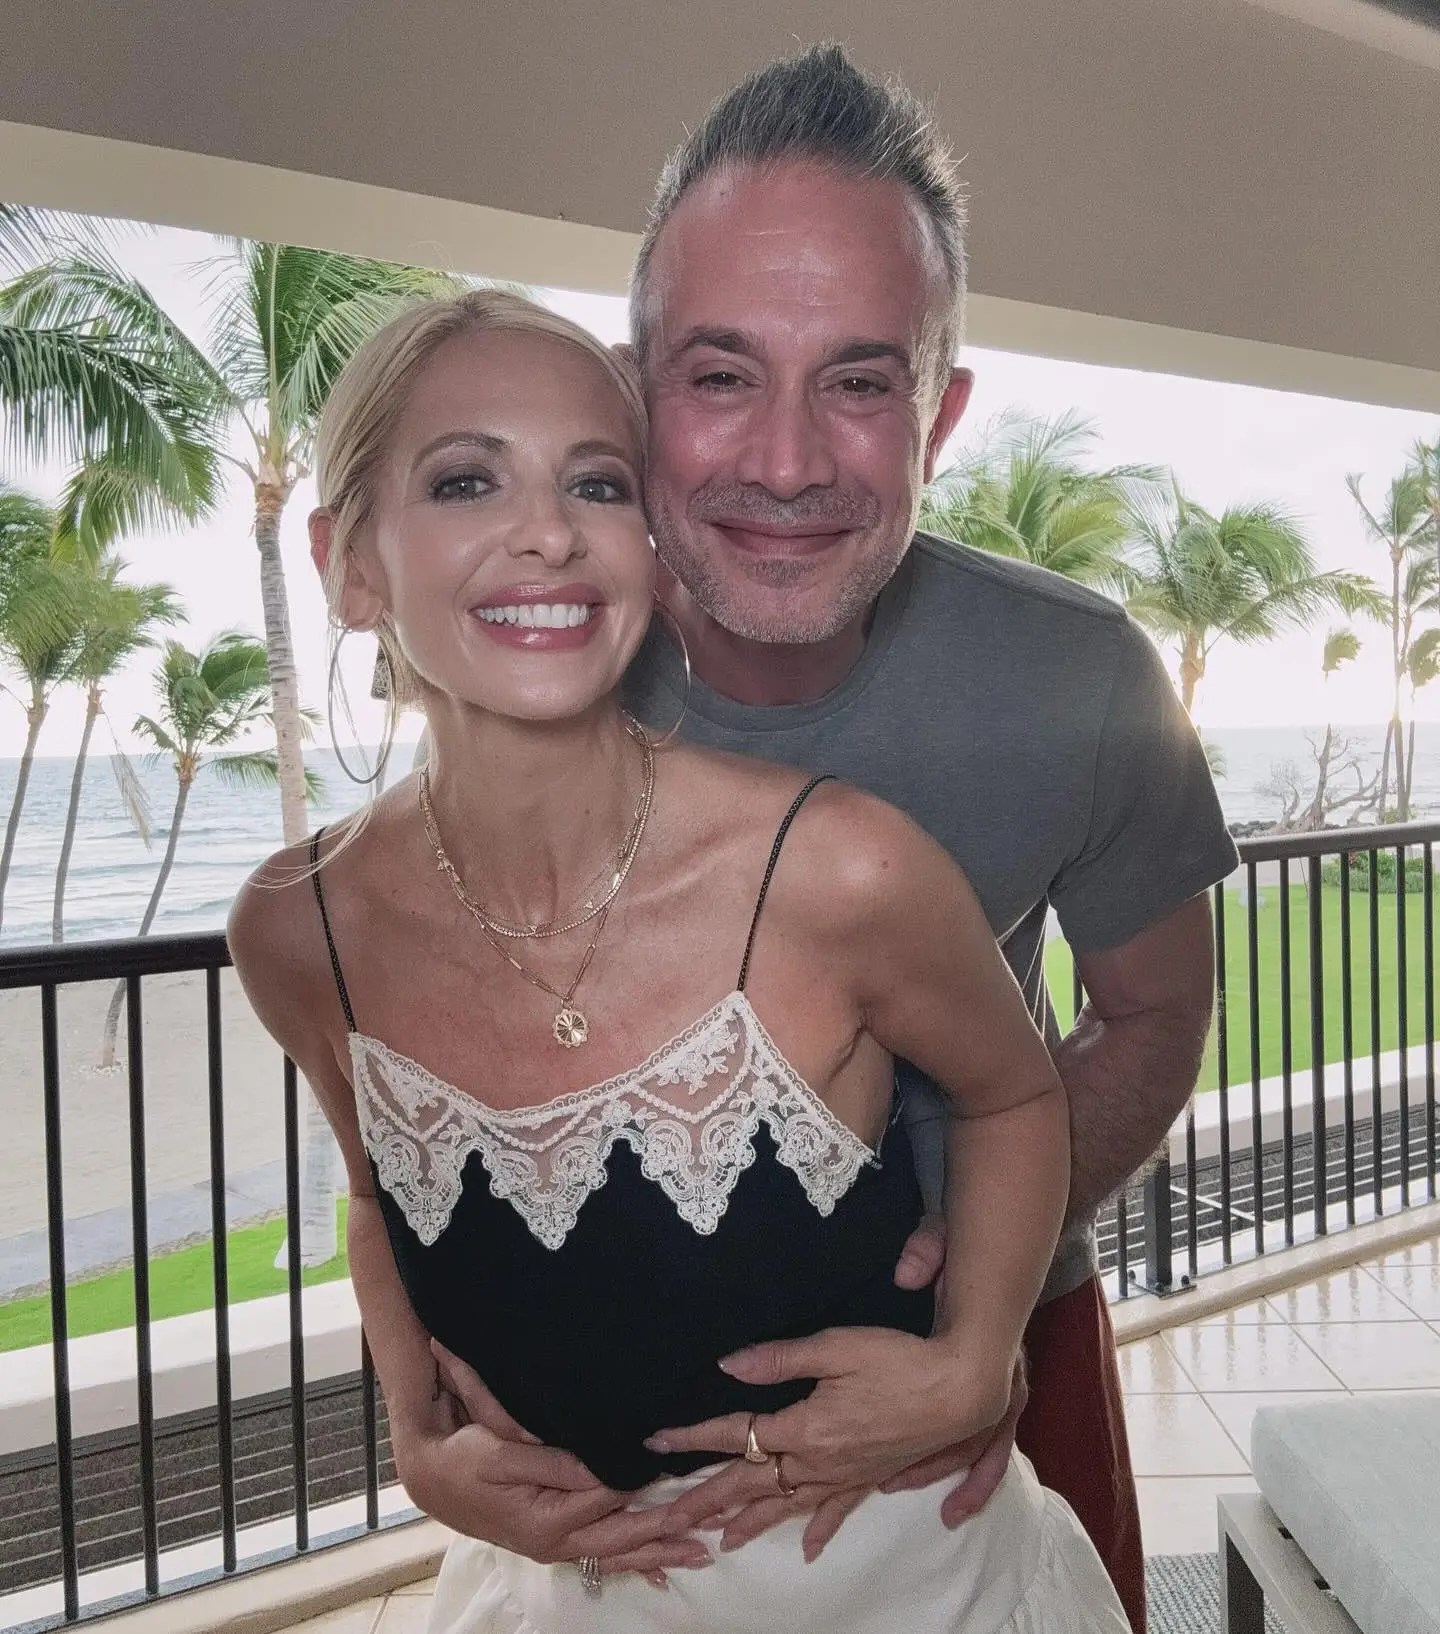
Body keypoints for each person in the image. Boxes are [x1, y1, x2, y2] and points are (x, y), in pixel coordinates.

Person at [401, 46, 1238, 1634]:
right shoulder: (526, 674)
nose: (785, 463)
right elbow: (420, 1065)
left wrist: (974, 1299)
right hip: (627, 1409)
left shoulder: (1083, 677)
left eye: (860, 381)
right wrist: (421, 1422)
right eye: (721, 375)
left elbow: (1155, 1006)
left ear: (941, 414)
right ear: (637, 391)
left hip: (1004, 1356)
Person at [229, 288, 1131, 1632]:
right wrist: (417, 1436)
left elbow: (1012, 1092)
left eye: (597, 483)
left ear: (646, 555)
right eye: (467, 479)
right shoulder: (298, 930)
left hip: (904, 1582)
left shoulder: (839, 867)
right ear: (351, 563)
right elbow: (377, 1192)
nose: (548, 531)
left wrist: (973, 1356)